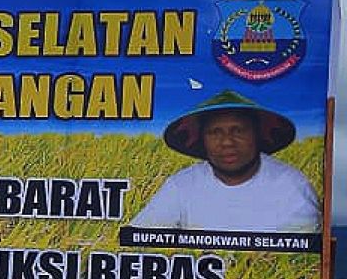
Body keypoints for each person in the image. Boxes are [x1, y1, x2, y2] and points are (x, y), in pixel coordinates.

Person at [131, 90, 319, 232]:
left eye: (238, 130)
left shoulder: (291, 185)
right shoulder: (181, 185)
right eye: (215, 132)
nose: (227, 142)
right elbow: (139, 238)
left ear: (256, 135)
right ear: (202, 140)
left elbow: (303, 258)